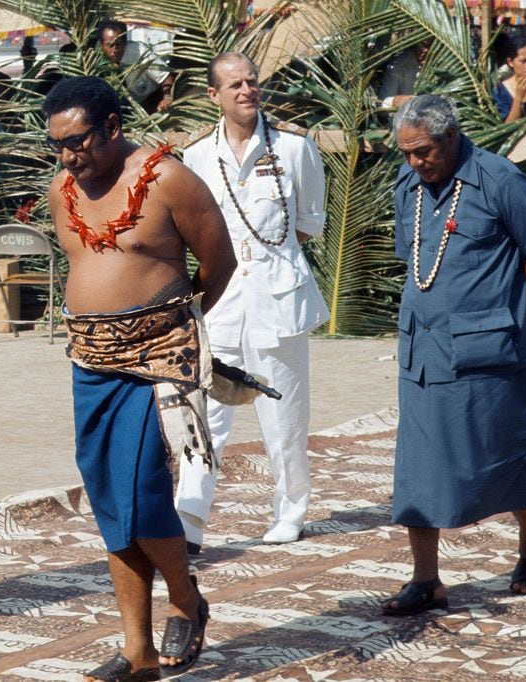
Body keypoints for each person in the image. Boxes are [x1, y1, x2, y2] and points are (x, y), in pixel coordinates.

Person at [44, 75, 236, 681]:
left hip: (159, 358)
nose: (69, 156)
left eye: (78, 142)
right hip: (90, 364)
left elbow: (220, 261)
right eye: (58, 145)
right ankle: (138, 651)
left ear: (113, 128)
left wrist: (173, 324)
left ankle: (184, 596)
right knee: (109, 500)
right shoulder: (61, 192)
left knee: (141, 491)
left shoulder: (169, 180)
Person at [383, 94, 526, 615]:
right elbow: (416, 258)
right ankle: (426, 579)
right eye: (407, 153)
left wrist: (510, 310)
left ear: (451, 137)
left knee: (508, 451)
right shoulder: (408, 185)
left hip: (490, 348)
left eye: (423, 151)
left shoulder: (500, 180)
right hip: (422, 348)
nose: (415, 162)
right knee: (416, 463)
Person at [177, 52, 329, 549]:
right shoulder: (197, 156)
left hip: (278, 298)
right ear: (213, 95)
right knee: (204, 413)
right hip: (220, 301)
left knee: (284, 415)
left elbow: (307, 224)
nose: (247, 91)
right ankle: (190, 518)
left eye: (252, 82)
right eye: (235, 85)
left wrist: (268, 265)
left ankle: (291, 509)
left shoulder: (293, 148)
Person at [97, 19, 173, 114]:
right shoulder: (97, 62)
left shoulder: (139, 51)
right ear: (101, 44)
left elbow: (166, 77)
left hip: (153, 99)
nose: (114, 50)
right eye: (110, 45)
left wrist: (167, 97)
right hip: (124, 109)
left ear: (125, 42)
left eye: (118, 44)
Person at [377, 39, 431, 109]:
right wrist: (402, 101)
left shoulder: (446, 63)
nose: (425, 50)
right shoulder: (398, 65)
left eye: (431, 46)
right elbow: (383, 104)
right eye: (422, 45)